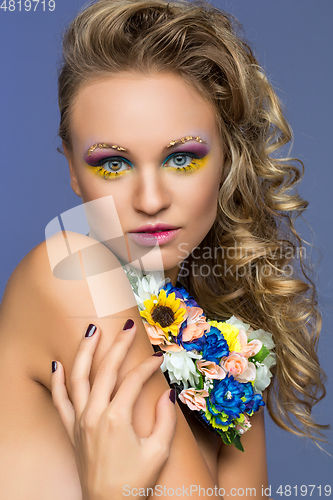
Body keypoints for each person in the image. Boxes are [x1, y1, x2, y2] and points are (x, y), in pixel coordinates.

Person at [0, 0, 328, 498]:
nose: (150, 200)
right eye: (113, 163)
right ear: (71, 167)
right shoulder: (69, 268)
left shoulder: (226, 350)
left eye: (182, 158)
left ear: (226, 159)